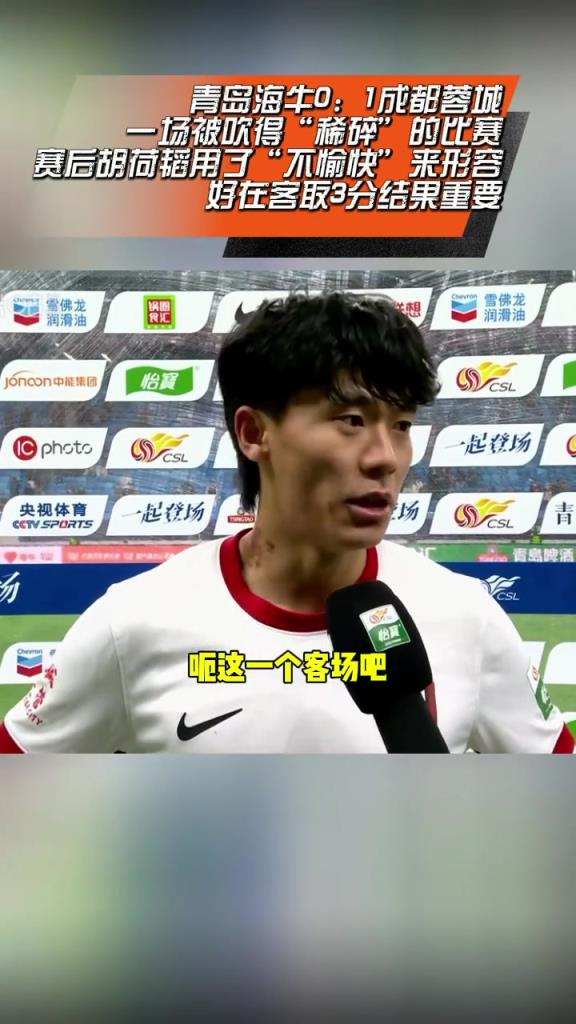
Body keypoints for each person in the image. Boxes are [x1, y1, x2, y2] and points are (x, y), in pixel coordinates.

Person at [0, 292, 572, 753]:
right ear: (254, 433)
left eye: (401, 425)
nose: (386, 458)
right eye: (351, 420)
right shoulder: (131, 624)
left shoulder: (466, 616)